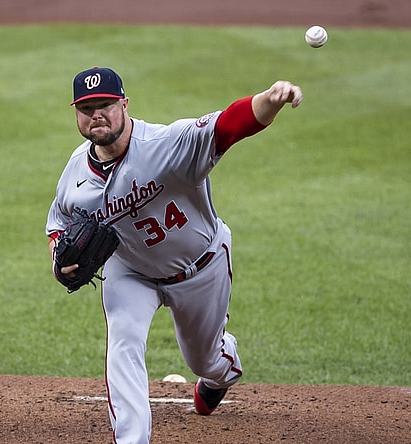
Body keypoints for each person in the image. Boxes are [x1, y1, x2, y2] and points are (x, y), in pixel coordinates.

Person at [45, 67, 302, 443]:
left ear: (124, 105)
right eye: (86, 108)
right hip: (130, 272)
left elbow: (228, 126)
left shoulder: (166, 144)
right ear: (76, 114)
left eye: (105, 105)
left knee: (205, 360)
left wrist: (270, 99)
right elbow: (58, 225)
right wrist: (59, 263)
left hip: (201, 267)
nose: (96, 114)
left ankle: (219, 374)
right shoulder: (74, 175)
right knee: (123, 340)